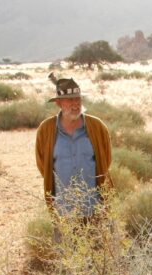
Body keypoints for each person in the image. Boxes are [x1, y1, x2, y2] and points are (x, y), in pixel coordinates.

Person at [35, 76, 112, 220]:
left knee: (98, 242)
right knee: (64, 243)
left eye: (78, 99)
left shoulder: (97, 127)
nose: (75, 104)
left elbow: (105, 161)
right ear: (58, 103)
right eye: (70, 100)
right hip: (62, 211)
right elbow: (43, 165)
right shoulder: (46, 130)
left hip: (94, 209)